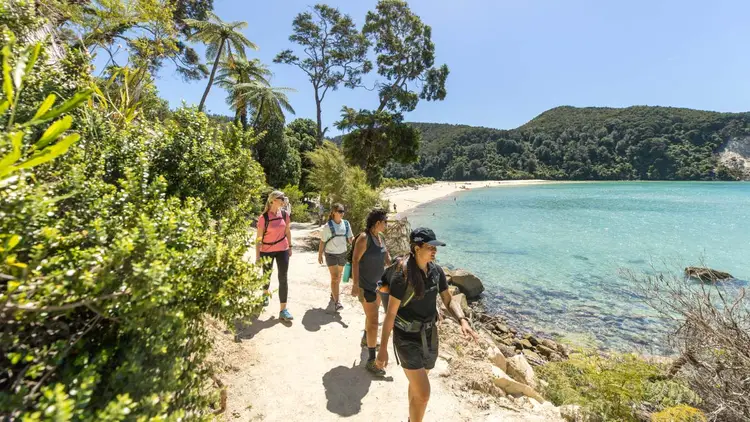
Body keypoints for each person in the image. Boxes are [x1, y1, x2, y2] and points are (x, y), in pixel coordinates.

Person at [376, 227, 478, 422]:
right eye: (430, 247)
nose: (435, 251)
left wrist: (462, 320)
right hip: (406, 338)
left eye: (435, 247)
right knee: (423, 394)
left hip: (430, 337)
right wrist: (382, 349)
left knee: (417, 389)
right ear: (416, 248)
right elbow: (390, 314)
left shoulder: (436, 271)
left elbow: (448, 300)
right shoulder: (402, 275)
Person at [351, 208, 391, 375]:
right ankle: (371, 360)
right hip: (366, 286)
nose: (386, 225)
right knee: (374, 321)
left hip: (379, 286)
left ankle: (367, 338)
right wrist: (355, 284)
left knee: (371, 318)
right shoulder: (364, 238)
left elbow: (388, 260)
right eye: (385, 222)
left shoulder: (380, 238)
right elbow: (355, 260)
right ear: (377, 223)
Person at [256, 190, 294, 321]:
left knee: (283, 277)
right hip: (266, 250)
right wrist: (257, 256)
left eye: (284, 198)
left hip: (282, 249)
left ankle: (283, 310)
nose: (283, 200)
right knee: (267, 275)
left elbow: (287, 231)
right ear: (273, 200)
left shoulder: (285, 215)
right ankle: (265, 294)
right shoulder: (264, 218)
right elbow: (258, 239)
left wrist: (290, 246)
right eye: (281, 198)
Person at [318, 203, 353, 311]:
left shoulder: (346, 224)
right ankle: (337, 302)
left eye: (343, 211)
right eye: (340, 211)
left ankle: (333, 294)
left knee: (338, 278)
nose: (342, 213)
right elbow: (322, 242)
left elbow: (350, 239)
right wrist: (320, 254)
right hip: (331, 254)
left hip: (342, 253)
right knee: (334, 277)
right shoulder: (327, 226)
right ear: (333, 212)